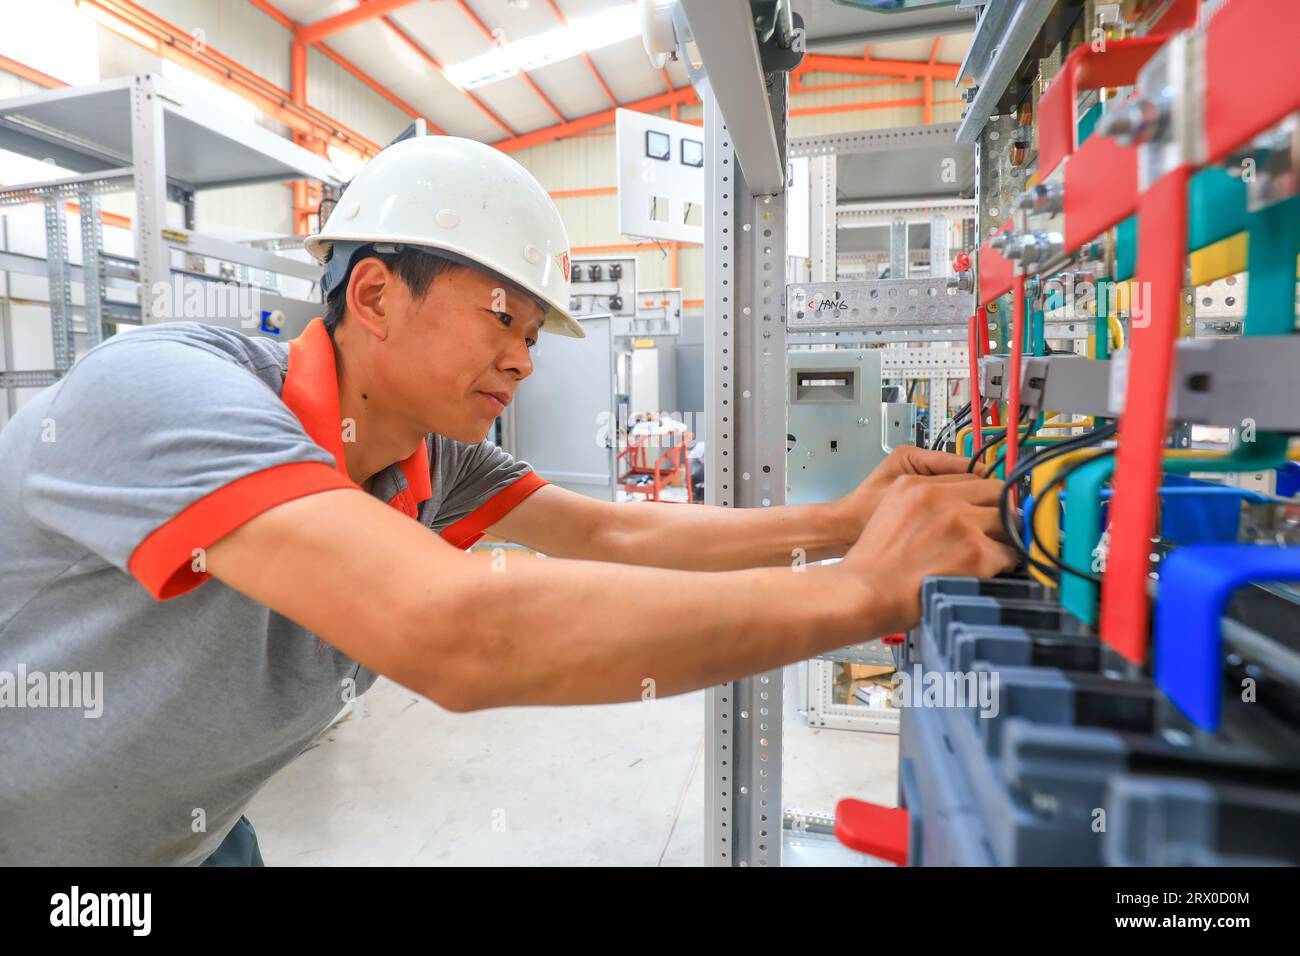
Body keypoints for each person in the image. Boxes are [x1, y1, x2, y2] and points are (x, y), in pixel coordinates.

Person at [0, 136, 1013, 865]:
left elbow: (616, 526)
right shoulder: (165, 395)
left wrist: (846, 520)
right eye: (503, 318)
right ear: (374, 296)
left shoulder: (430, 461)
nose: (524, 358)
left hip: (197, 833)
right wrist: (866, 585)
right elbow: (457, 633)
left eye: (535, 331)